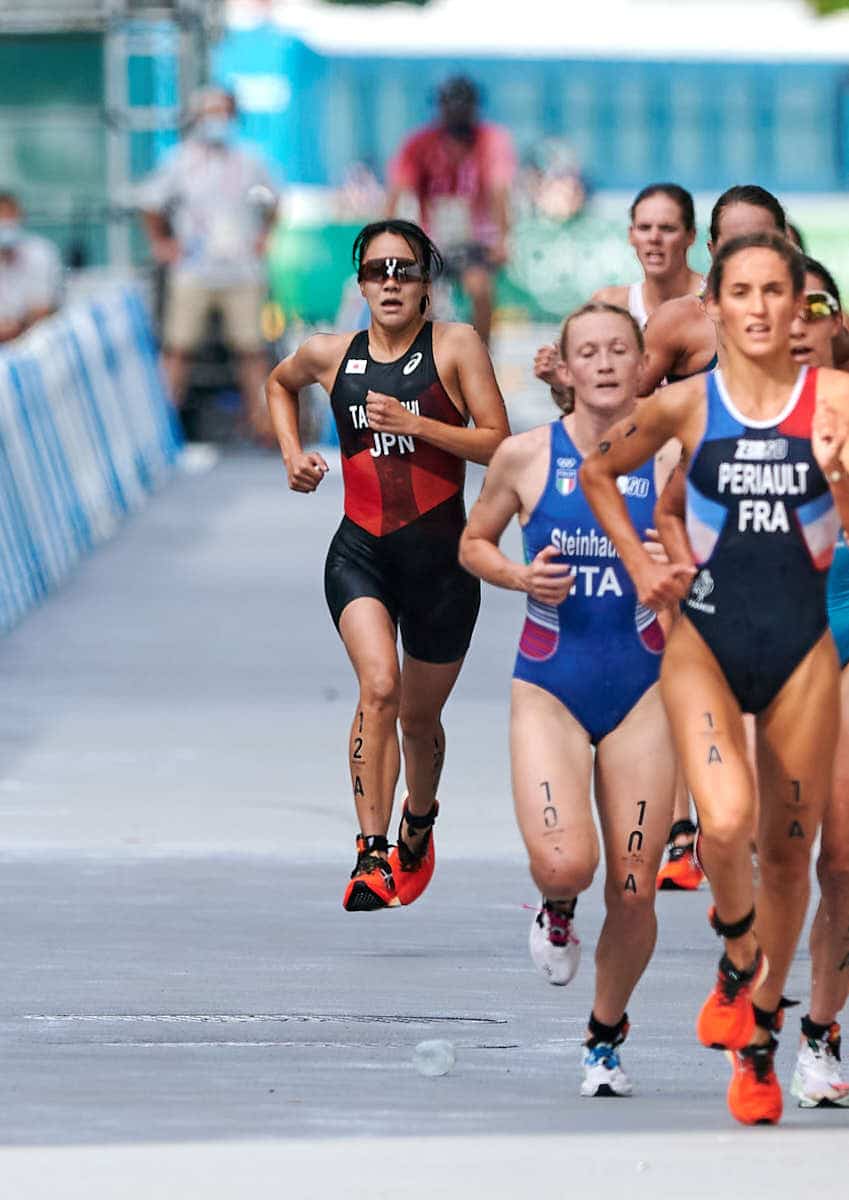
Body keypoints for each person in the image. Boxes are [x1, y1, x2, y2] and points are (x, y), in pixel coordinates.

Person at [580, 231, 849, 1125]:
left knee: (790, 855)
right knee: (724, 822)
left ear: (799, 305)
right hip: (704, 640)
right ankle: (737, 956)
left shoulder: (837, 402)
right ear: (716, 306)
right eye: (742, 291)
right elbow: (597, 469)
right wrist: (642, 564)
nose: (761, 308)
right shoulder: (687, 405)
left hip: (804, 649)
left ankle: (760, 1038)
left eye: (777, 292)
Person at [459, 302, 678, 1097]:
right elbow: (472, 543)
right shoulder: (524, 456)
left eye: (620, 349)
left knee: (635, 884)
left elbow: (725, 554)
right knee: (566, 862)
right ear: (567, 367)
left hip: (646, 688)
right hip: (551, 684)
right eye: (589, 351)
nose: (606, 363)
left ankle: (603, 1039)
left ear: (642, 363)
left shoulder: (675, 454)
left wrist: (677, 555)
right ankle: (556, 905)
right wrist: (519, 576)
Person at [265, 219, 509, 911]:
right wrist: (292, 456)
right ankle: (370, 855)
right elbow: (279, 384)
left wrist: (418, 425)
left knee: (418, 719)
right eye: (378, 271)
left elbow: (499, 443)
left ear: (427, 283)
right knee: (379, 688)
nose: (392, 283)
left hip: (442, 564)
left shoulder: (456, 346)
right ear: (361, 283)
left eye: (405, 270)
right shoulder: (329, 353)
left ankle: (418, 821)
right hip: (360, 553)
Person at [137, 86, 280, 436]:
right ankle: (162, 430)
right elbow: (151, 203)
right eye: (210, 113)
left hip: (242, 271)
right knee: (177, 348)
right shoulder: (180, 161)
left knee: (251, 351)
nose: (217, 120)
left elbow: (274, 201)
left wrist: (264, 237)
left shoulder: (251, 160)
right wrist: (162, 244)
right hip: (193, 270)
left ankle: (265, 426)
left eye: (223, 112)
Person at [386, 76, 517, 347]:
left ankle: (480, 352)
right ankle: (427, 355)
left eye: (463, 106)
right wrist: (387, 237)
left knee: (480, 290)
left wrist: (503, 239)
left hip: (472, 237)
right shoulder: (419, 144)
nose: (457, 113)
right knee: (423, 298)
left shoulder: (490, 140)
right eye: (450, 106)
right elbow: (398, 192)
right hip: (431, 235)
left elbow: (499, 191)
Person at [0, 192, 63, 343]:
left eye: (8, 216)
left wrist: (16, 327)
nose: (4, 223)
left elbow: (42, 310)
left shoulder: (40, 253)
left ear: (19, 217)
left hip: (35, 341)